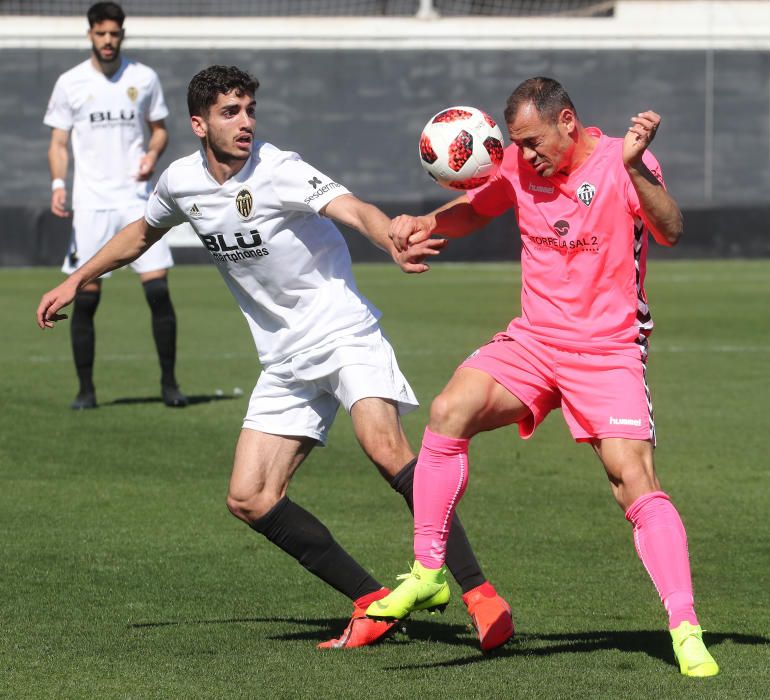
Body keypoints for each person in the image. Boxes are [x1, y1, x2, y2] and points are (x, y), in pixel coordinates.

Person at [36, 65, 514, 651]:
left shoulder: (280, 168)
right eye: (230, 112)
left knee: (385, 448)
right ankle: (373, 604)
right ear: (198, 123)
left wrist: (389, 232)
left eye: (249, 110)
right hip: (284, 360)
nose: (245, 122)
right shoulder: (182, 182)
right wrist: (79, 278)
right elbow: (141, 232)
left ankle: (479, 594)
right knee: (250, 496)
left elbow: (351, 207)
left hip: (342, 332)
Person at [366, 77, 720, 677]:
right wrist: (423, 223)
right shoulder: (516, 166)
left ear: (568, 122)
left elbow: (671, 229)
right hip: (534, 341)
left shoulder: (624, 160)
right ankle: (428, 572)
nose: (523, 157)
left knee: (631, 480)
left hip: (608, 349)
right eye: (515, 145)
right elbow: (476, 210)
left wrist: (635, 170)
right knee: (450, 409)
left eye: (532, 143)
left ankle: (684, 628)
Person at [44, 1, 186, 409]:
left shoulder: (144, 78)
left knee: (158, 291)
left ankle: (170, 385)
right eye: (102, 34)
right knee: (85, 297)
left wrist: (151, 156)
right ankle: (86, 391)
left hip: (137, 203)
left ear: (123, 34)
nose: (109, 41)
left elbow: (159, 130)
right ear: (90, 34)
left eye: (115, 34)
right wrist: (58, 183)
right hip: (90, 204)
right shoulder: (70, 82)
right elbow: (57, 143)